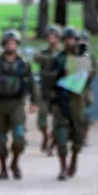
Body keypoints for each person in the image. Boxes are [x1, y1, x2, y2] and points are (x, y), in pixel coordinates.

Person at [0, 31, 38, 180]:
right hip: (0, 103)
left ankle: (15, 163)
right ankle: (2, 168)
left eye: (14, 43)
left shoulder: (23, 63)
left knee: (19, 136)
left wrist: (34, 101)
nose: (11, 45)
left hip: (17, 103)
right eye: (8, 43)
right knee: (1, 139)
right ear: (3, 45)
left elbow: (32, 83)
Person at [49, 27, 93, 180]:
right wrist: (60, 74)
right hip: (61, 101)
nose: (69, 42)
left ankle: (74, 159)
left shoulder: (83, 56)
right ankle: (62, 168)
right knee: (61, 136)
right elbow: (49, 79)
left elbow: (90, 76)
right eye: (67, 39)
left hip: (77, 102)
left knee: (77, 137)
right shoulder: (58, 58)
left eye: (72, 39)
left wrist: (84, 60)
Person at [34, 25, 62, 155]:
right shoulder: (44, 52)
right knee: (42, 120)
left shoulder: (63, 53)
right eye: (49, 36)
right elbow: (36, 57)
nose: (51, 39)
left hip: (58, 91)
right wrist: (52, 61)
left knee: (58, 121)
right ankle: (45, 135)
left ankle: (52, 145)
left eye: (54, 37)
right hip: (45, 90)